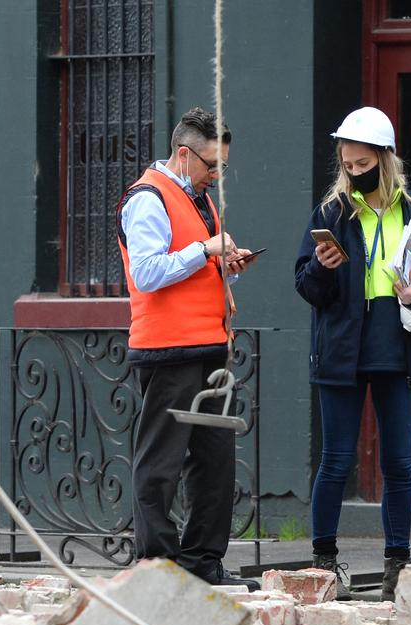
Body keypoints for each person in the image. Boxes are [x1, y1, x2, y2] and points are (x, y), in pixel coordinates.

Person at [295, 107, 411, 600]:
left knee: (397, 464)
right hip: (341, 348)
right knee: (336, 461)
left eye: (362, 165)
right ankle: (324, 564)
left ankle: (396, 568)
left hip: (399, 345)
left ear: (385, 161)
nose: (354, 173)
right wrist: (322, 269)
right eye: (347, 164)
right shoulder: (330, 214)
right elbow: (304, 286)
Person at [117, 107, 260, 590]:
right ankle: (157, 567)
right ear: (183, 154)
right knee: (160, 462)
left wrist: (226, 264)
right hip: (167, 348)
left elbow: (190, 266)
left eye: (221, 165)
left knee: (214, 462)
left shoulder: (197, 198)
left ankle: (203, 562)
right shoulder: (147, 198)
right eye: (211, 165)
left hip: (209, 346)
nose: (217, 175)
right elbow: (148, 272)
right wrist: (205, 251)